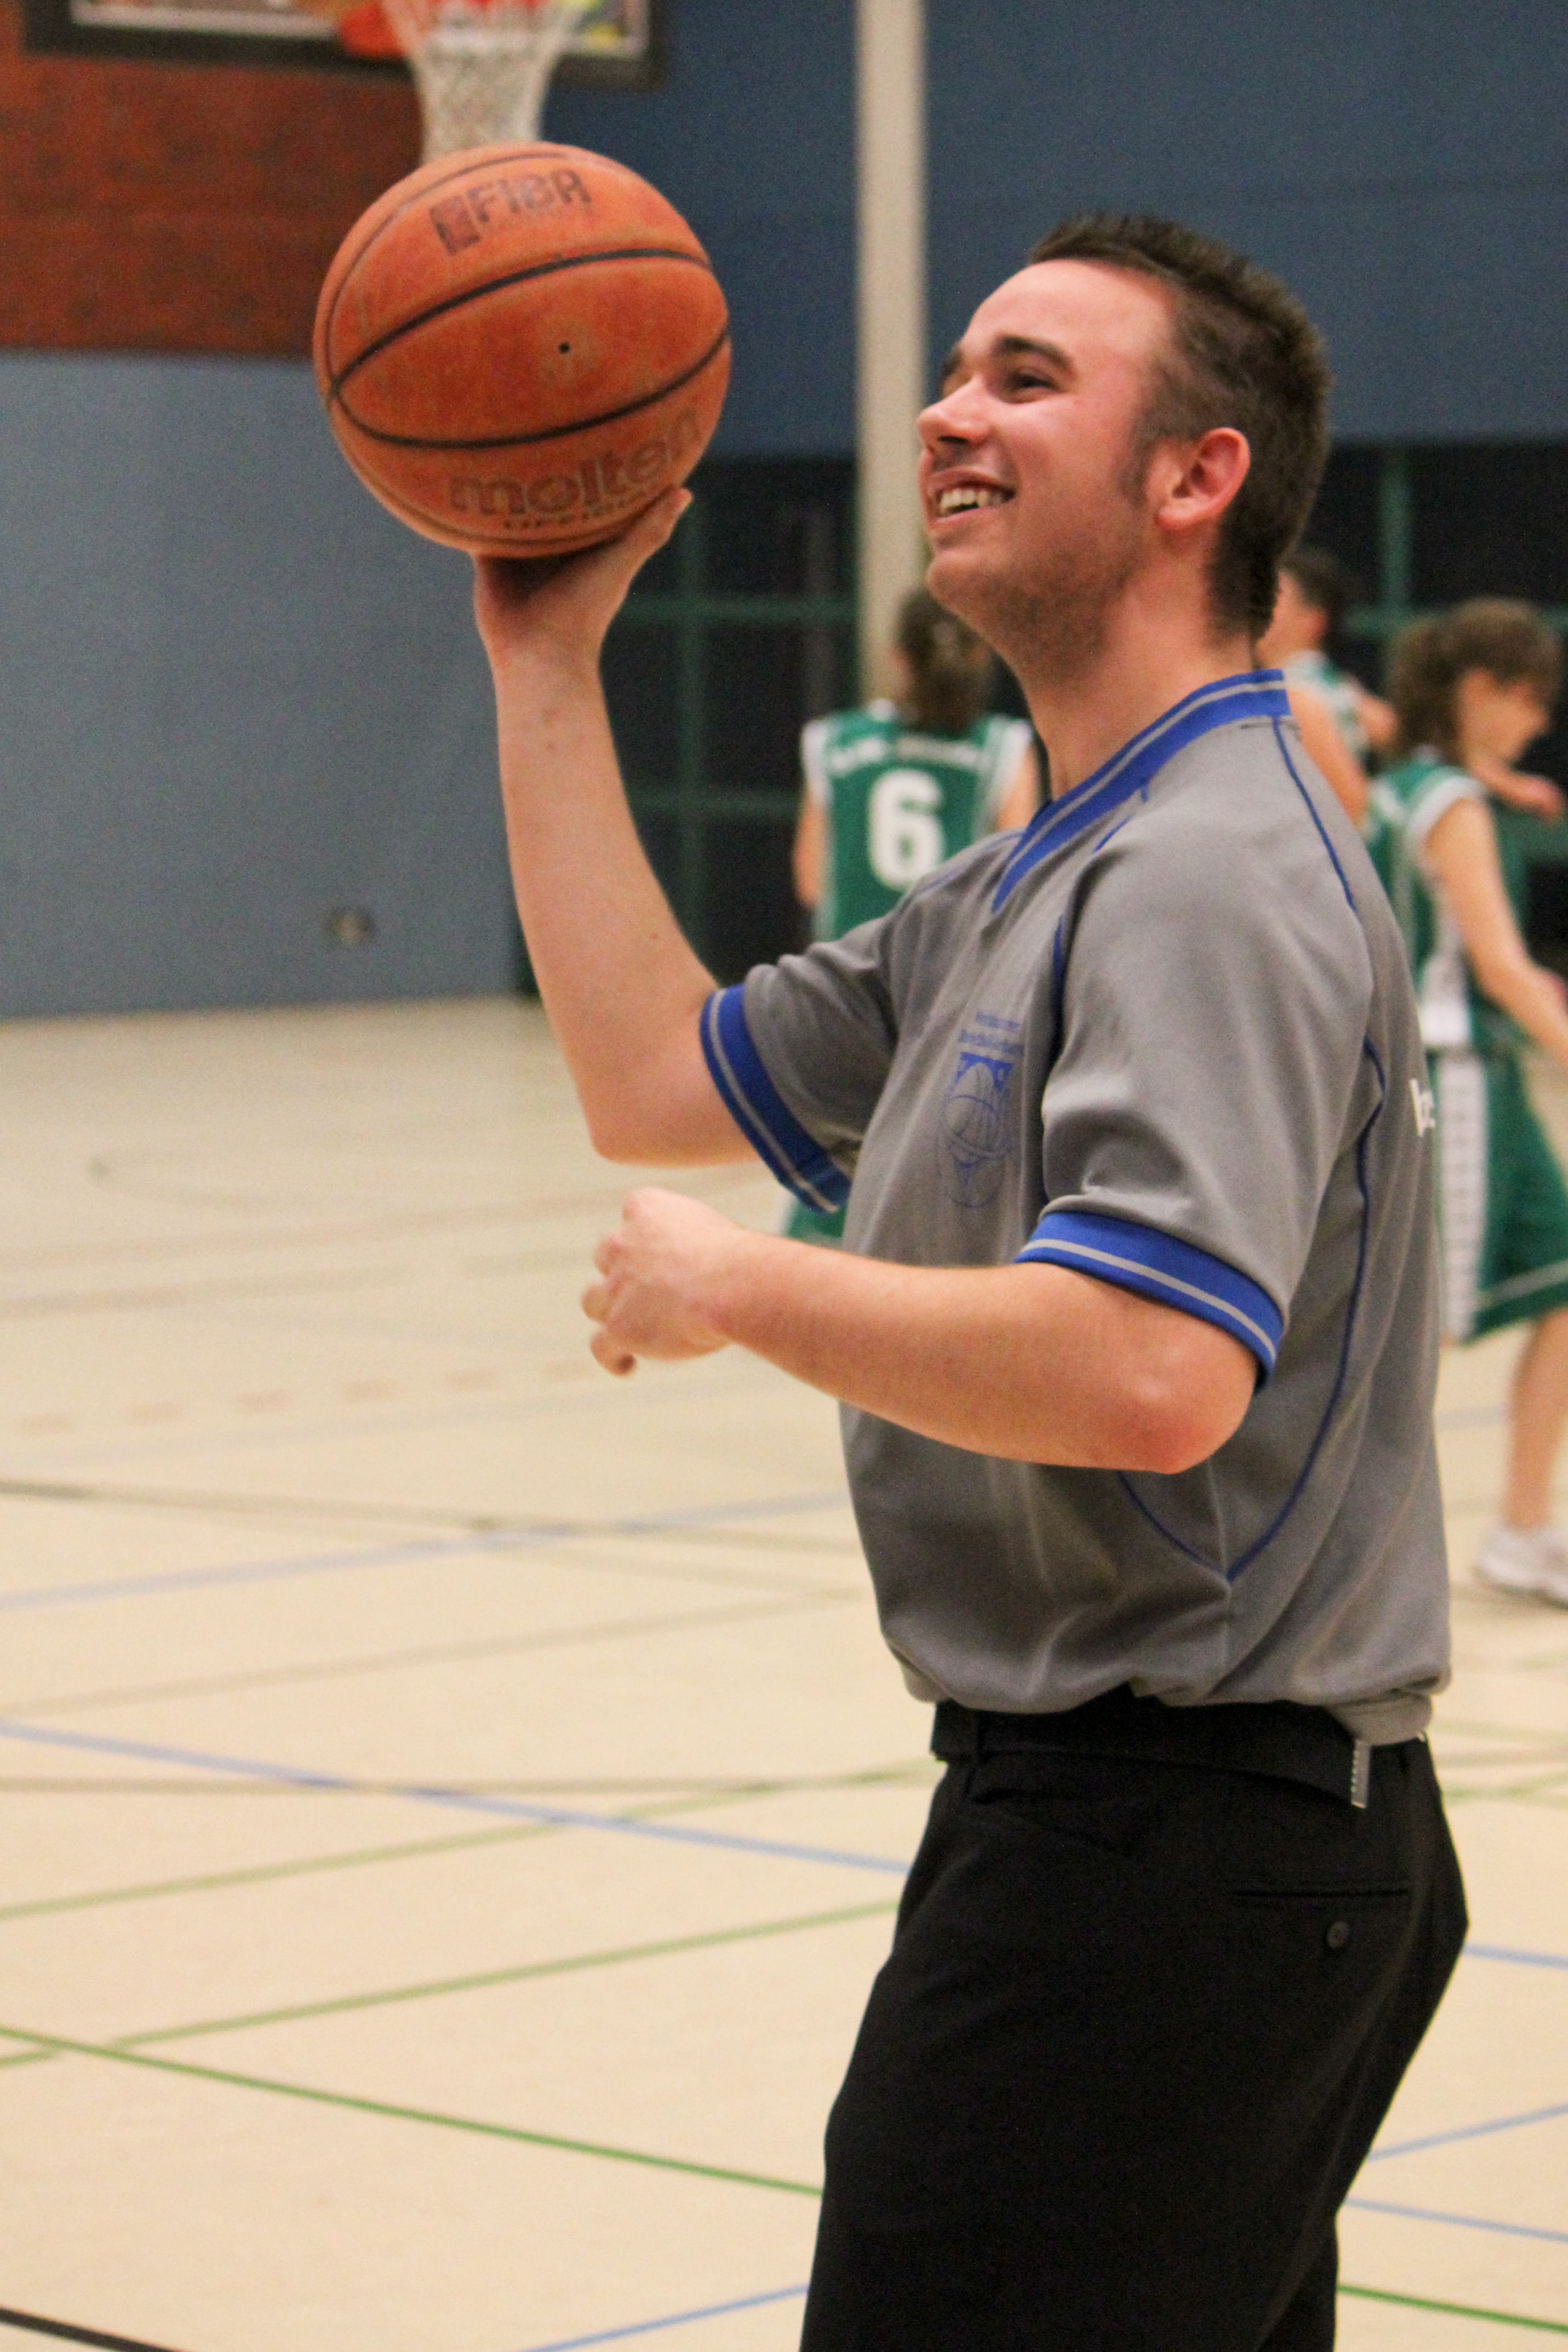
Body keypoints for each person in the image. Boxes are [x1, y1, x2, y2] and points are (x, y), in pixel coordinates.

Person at [473, 212, 1464, 2351]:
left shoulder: (1203, 870)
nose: (945, 412)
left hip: (1182, 1845)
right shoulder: (1040, 868)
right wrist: (543, 662)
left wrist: (747, 1288)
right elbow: (654, 1076)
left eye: (1024, 378)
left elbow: (1147, 1368)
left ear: (1194, 475)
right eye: (951, 370)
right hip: (1150, 1832)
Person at [1367, 600, 1568, 1604]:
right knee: (1415, 1331)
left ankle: (1523, 1527)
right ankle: (1352, 1558)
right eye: (1530, 699)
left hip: (1468, 1075)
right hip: (1452, 1080)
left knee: (1560, 1284)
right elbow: (1497, 963)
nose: (1539, 723)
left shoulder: (1400, 785)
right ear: (1481, 689)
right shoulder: (1450, 804)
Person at [788, 586, 1039, 1242]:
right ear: (982, 656)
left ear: (897, 658)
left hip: (848, 988)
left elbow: (810, 876)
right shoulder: (1001, 746)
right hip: (957, 992)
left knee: (833, 1188)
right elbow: (1020, 875)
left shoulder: (834, 741)